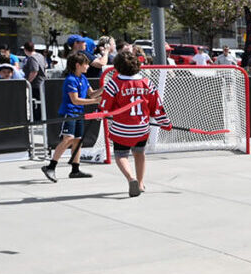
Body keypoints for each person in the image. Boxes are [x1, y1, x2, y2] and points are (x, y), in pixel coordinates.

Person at [98, 49, 165, 198]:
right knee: (139, 153)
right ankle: (141, 183)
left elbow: (104, 106)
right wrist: (164, 122)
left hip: (122, 128)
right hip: (142, 128)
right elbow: (157, 105)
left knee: (121, 154)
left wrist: (99, 114)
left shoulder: (114, 83)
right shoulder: (147, 82)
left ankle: (131, 178)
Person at [42, 54, 102, 181]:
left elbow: (91, 94)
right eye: (85, 64)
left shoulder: (83, 78)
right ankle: (51, 167)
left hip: (78, 113)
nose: (88, 66)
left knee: (77, 141)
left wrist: (105, 88)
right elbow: (75, 100)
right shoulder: (70, 80)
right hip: (69, 113)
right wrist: (96, 101)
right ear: (77, 65)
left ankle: (75, 170)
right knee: (68, 139)